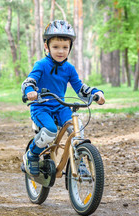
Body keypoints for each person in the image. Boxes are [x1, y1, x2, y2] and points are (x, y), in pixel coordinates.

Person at [21, 20, 105, 176]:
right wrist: (29, 90)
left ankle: (78, 160)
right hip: (41, 106)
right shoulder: (41, 64)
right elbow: (30, 80)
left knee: (77, 128)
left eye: (65, 47)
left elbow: (80, 88)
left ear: (70, 48)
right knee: (50, 131)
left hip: (60, 106)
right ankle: (31, 155)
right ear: (46, 47)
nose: (61, 51)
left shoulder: (69, 68)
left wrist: (96, 93)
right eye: (56, 47)